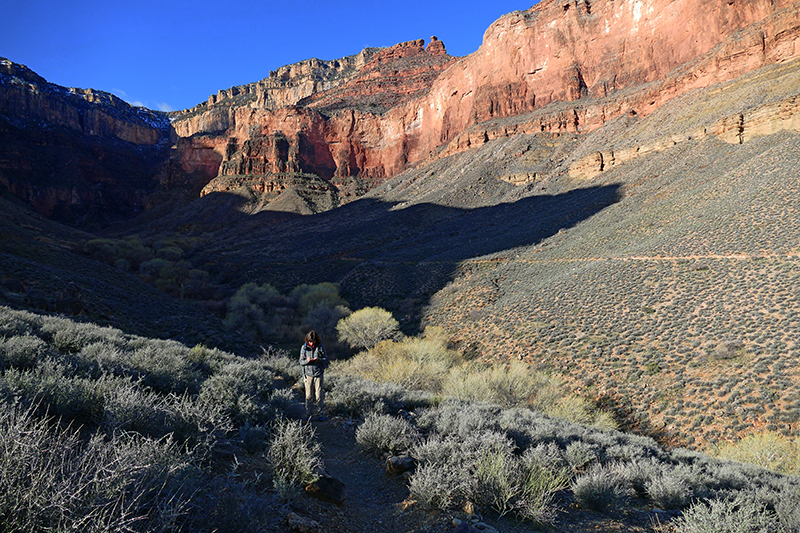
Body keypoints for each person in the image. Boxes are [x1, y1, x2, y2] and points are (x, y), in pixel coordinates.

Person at [299, 330, 328, 420]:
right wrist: (307, 361)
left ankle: (320, 414)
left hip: (318, 374)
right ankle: (308, 414)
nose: (312, 343)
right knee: (308, 396)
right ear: (307, 340)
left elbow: (325, 359)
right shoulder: (304, 348)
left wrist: (318, 359)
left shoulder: (320, 347)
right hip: (308, 374)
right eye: (310, 341)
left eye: (313, 341)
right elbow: (300, 362)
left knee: (319, 395)